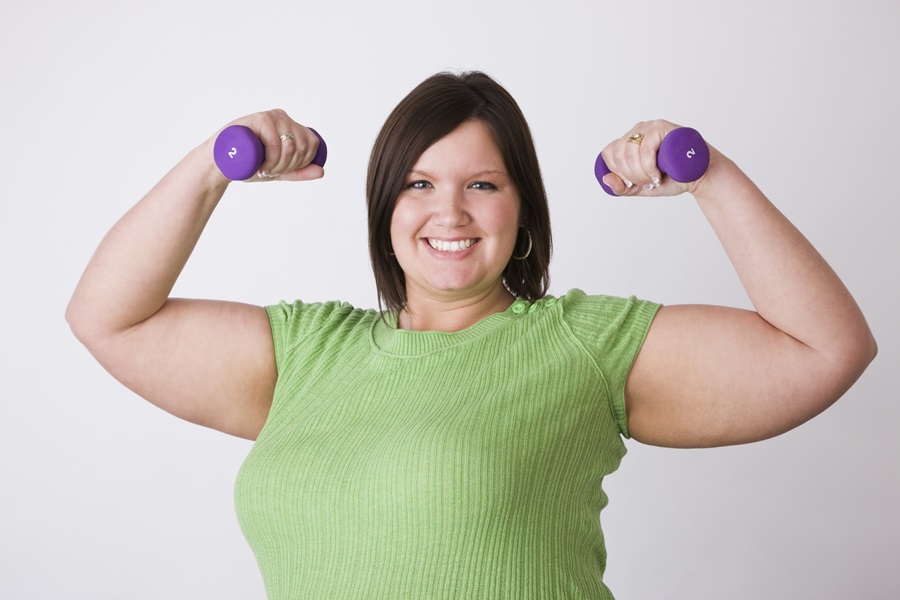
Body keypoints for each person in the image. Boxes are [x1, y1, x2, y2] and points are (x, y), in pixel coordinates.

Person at [66, 71, 877, 599]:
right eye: (419, 183)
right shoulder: (307, 352)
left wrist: (709, 177)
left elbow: (825, 349)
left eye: (482, 184)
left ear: (522, 209)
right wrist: (214, 164)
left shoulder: (580, 346)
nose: (449, 212)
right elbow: (107, 316)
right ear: (384, 207)